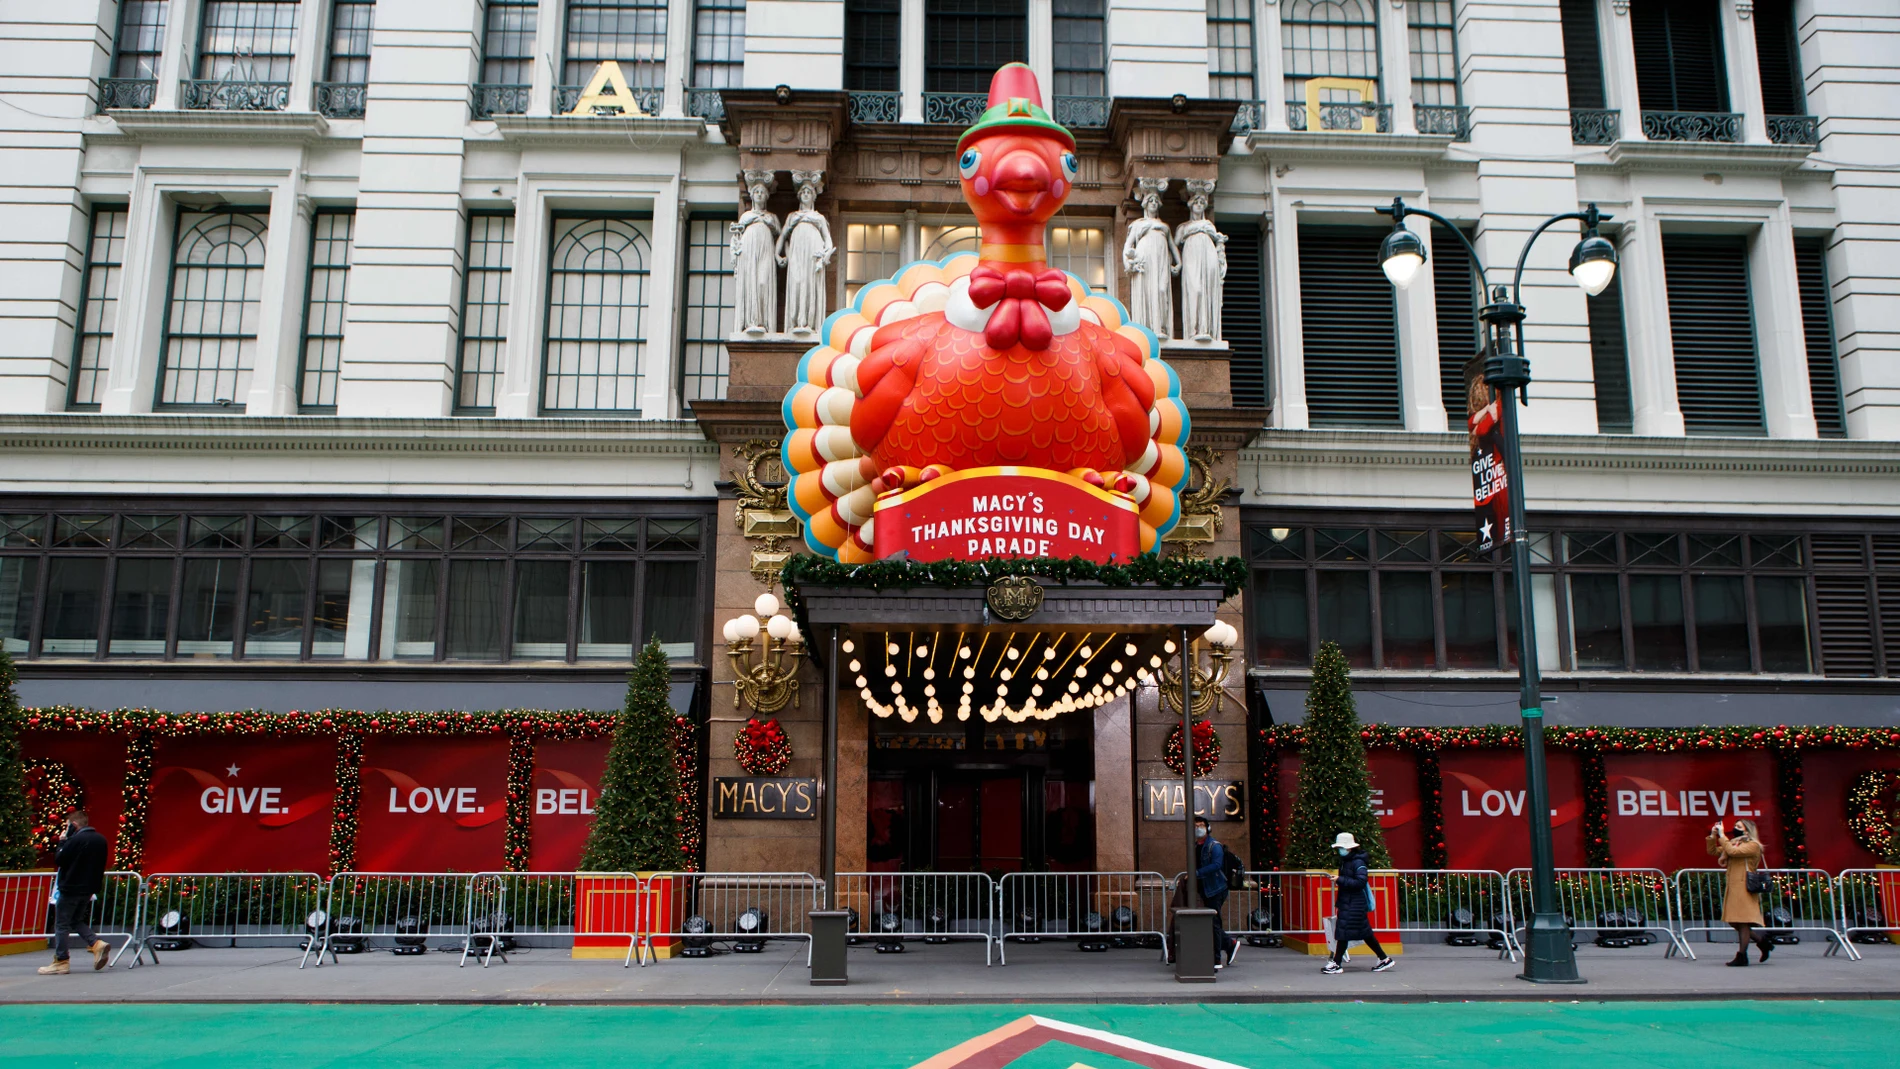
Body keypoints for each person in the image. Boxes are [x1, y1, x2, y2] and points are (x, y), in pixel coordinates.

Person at [39, 809, 111, 975]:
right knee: (75, 920)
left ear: (73, 825)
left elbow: (60, 860)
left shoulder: (75, 840)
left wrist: (63, 842)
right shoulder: (100, 839)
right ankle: (96, 943)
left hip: (71, 887)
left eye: (67, 826)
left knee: (62, 924)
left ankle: (61, 960)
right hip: (88, 888)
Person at [1323, 831, 1394, 974]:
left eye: (1341, 848)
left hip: (1352, 903)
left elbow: (1361, 882)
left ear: (1348, 848)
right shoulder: (1350, 861)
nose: (1339, 851)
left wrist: (1340, 880)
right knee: (1364, 933)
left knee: (1343, 932)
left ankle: (1337, 963)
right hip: (1352, 902)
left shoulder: (1357, 862)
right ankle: (1383, 958)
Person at [1707, 819, 1773, 966]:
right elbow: (1713, 851)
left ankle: (1742, 955)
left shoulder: (1753, 846)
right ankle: (1762, 942)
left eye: (1738, 827)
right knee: (1733, 920)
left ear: (1747, 831)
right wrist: (1713, 836)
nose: (1734, 829)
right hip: (1734, 886)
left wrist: (1722, 835)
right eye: (1735, 826)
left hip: (1745, 887)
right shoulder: (1734, 842)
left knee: (1742, 922)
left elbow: (1732, 852)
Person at [1193, 817, 1239, 968]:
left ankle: (1216, 959)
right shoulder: (1196, 846)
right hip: (1205, 890)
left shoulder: (1214, 846)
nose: (1199, 828)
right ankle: (1230, 944)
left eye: (1201, 825)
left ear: (1208, 828)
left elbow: (1216, 865)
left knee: (1214, 923)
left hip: (1216, 890)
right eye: (1196, 826)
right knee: (1209, 922)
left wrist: (1197, 873)